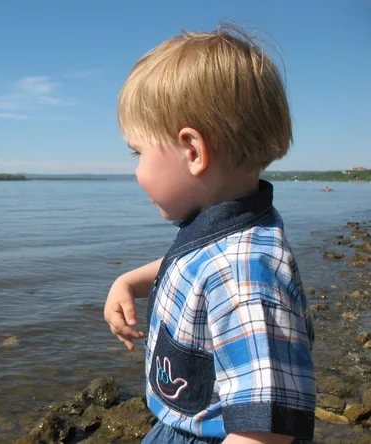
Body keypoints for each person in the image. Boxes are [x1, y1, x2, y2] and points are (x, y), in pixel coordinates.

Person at [104, 25, 315, 443]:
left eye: (138, 152)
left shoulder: (246, 277)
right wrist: (128, 281)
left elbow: (264, 432)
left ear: (193, 151)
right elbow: (194, 264)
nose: (135, 170)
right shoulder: (225, 231)